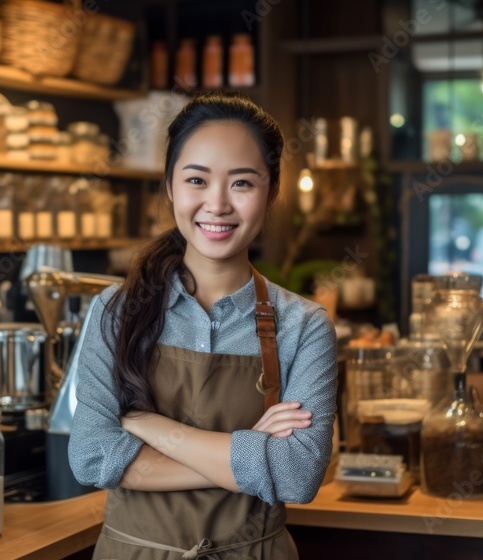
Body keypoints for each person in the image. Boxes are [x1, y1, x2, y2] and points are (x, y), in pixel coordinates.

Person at [68, 91, 337, 559]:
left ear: (272, 191)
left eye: (242, 184)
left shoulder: (304, 326)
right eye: (196, 179)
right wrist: (252, 451)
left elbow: (297, 477)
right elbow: (92, 458)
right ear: (171, 186)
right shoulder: (117, 310)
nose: (216, 205)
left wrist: (146, 425)